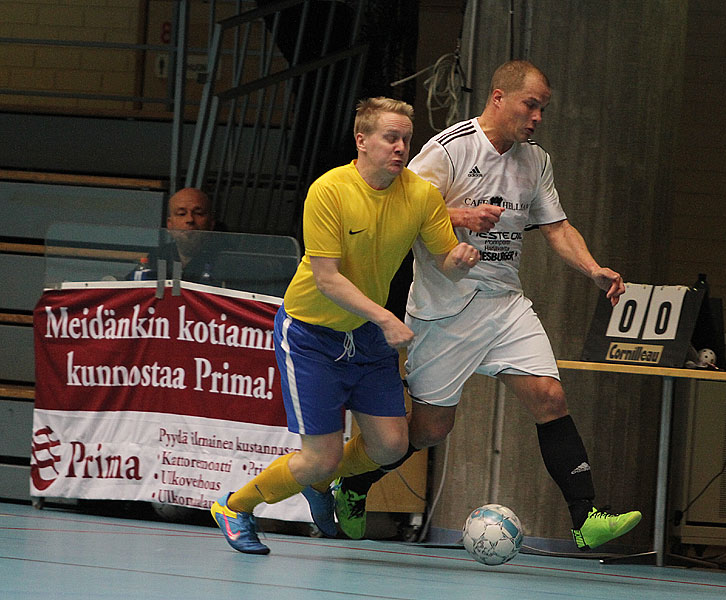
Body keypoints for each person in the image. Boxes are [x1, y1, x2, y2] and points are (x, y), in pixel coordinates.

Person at [331, 60, 642, 551]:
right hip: (445, 308)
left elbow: (557, 226)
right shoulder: (449, 149)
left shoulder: (536, 160)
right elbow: (396, 208)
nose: (537, 116)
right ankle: (353, 483)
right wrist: (460, 215)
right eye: (530, 104)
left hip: (505, 304)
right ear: (498, 98)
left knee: (550, 397)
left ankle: (586, 518)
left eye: (543, 108)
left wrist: (592, 268)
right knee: (431, 429)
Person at [209, 97, 480, 554]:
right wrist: (385, 317)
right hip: (312, 334)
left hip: (367, 336)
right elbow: (327, 278)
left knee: (392, 446)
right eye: (390, 138)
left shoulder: (421, 195)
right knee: (320, 456)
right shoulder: (330, 190)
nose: (400, 148)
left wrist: (461, 258)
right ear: (362, 140)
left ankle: (323, 480)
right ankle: (236, 507)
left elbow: (445, 259)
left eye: (406, 140)